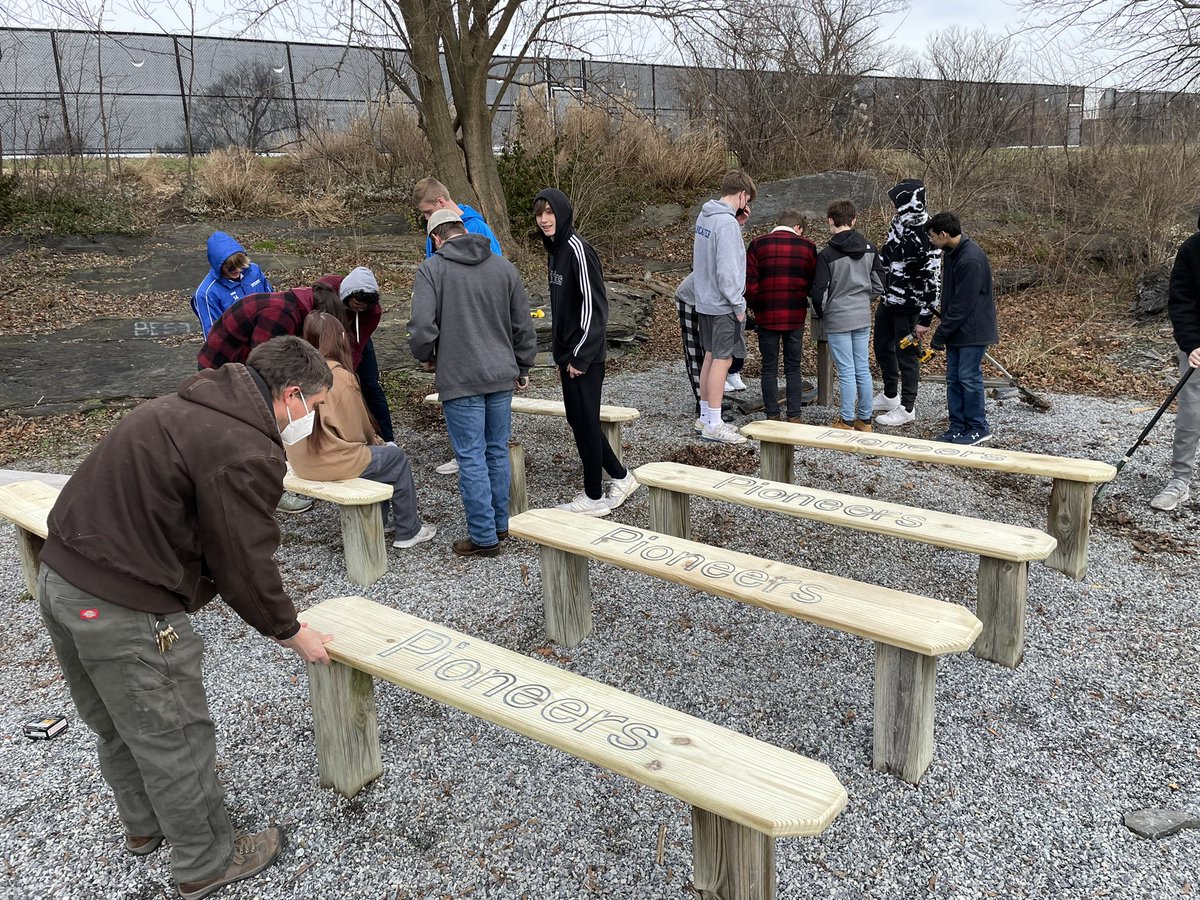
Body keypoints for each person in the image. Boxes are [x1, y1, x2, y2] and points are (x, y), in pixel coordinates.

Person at [38, 335, 334, 900]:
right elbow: (243, 562)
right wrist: (292, 631)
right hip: (124, 604)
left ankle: (146, 825)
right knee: (174, 733)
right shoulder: (245, 447)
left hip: (61, 580)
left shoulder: (176, 405)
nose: (311, 420)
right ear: (291, 395)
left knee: (117, 719)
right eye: (315, 408)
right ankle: (205, 859)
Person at [408, 209, 538, 555]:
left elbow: (422, 327)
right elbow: (522, 324)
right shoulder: (503, 267)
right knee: (496, 451)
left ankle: (483, 538)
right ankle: (499, 524)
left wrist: (425, 355)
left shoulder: (432, 269)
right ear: (464, 230)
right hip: (500, 374)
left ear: (436, 238)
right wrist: (523, 365)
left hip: (459, 376)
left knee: (471, 458)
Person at [533, 188, 639, 516]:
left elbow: (596, 309)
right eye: (539, 214)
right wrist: (562, 353)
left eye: (550, 212)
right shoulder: (555, 250)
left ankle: (594, 498)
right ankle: (621, 478)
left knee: (587, 422)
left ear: (562, 212)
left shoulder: (579, 249)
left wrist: (580, 355)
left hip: (585, 357)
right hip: (568, 355)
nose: (544, 219)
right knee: (579, 421)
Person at [290, 312, 436, 549]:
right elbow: (356, 434)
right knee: (394, 458)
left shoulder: (295, 372)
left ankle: (382, 520)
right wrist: (378, 441)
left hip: (301, 460)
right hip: (326, 461)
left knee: (381, 458)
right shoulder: (338, 376)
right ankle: (408, 530)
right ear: (340, 339)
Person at [412, 177, 502, 475]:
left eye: (426, 213)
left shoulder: (475, 227)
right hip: (450, 330)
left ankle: (475, 454)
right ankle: (466, 449)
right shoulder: (433, 234)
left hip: (479, 329)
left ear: (440, 203)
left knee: (481, 408)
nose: (426, 220)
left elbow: (497, 279)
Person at [924, 211, 999, 445]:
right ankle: (957, 426)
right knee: (953, 379)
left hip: (973, 331)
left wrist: (940, 333)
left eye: (933, 236)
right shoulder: (951, 253)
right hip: (956, 329)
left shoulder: (970, 259)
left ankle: (978, 427)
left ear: (944, 234)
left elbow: (963, 305)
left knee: (968, 378)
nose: (931, 240)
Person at [810, 199, 884, 432]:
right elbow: (880, 285)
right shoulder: (871, 248)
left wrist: (824, 312)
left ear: (830, 221)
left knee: (846, 370)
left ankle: (846, 420)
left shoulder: (827, 255)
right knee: (862, 367)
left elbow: (818, 292)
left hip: (838, 317)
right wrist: (864, 299)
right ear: (853, 221)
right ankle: (865, 419)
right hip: (861, 315)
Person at [692, 170, 756, 444]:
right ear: (742, 195)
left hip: (704, 300)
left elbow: (713, 252)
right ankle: (715, 424)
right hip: (722, 304)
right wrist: (738, 304)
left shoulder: (705, 215)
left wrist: (738, 223)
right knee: (723, 359)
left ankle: (706, 416)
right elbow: (728, 269)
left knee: (709, 356)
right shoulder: (726, 225)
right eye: (747, 199)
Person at [873, 179, 941, 427]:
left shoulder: (929, 233)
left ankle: (907, 408)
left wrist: (925, 319)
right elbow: (886, 254)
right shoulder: (898, 224)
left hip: (911, 306)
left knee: (908, 356)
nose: (893, 209)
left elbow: (933, 279)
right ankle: (890, 395)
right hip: (888, 298)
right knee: (881, 346)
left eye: (896, 204)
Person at [745, 208, 818, 422]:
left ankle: (772, 415)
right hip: (795, 314)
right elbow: (813, 282)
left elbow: (750, 285)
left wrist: (755, 306)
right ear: (798, 227)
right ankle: (794, 415)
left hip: (766, 314)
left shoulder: (758, 244)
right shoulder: (808, 247)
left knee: (769, 367)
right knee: (793, 366)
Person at [1150, 214, 1200, 511]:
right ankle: (1181, 480)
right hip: (1197, 350)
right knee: (1191, 416)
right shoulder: (1192, 249)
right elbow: (1181, 301)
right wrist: (1192, 344)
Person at [337, 266, 395, 444]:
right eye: (356, 305)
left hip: (358, 337)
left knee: (370, 385)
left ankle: (388, 438)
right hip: (330, 335)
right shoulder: (329, 291)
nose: (359, 310)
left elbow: (359, 344)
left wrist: (350, 370)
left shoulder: (373, 312)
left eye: (364, 308)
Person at [192, 231, 272, 336]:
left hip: (265, 335)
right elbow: (213, 336)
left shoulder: (254, 270)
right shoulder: (206, 294)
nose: (238, 270)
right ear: (219, 266)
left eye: (241, 264)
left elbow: (272, 301)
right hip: (237, 345)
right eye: (231, 267)